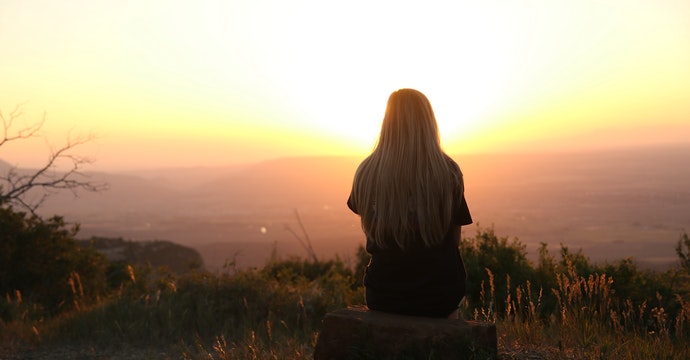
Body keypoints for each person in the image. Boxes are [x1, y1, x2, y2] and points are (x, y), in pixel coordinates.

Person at [347, 88, 472, 319]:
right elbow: (454, 240)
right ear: (428, 123)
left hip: (383, 295)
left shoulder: (366, 172)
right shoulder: (449, 172)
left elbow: (371, 229)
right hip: (439, 296)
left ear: (387, 122)